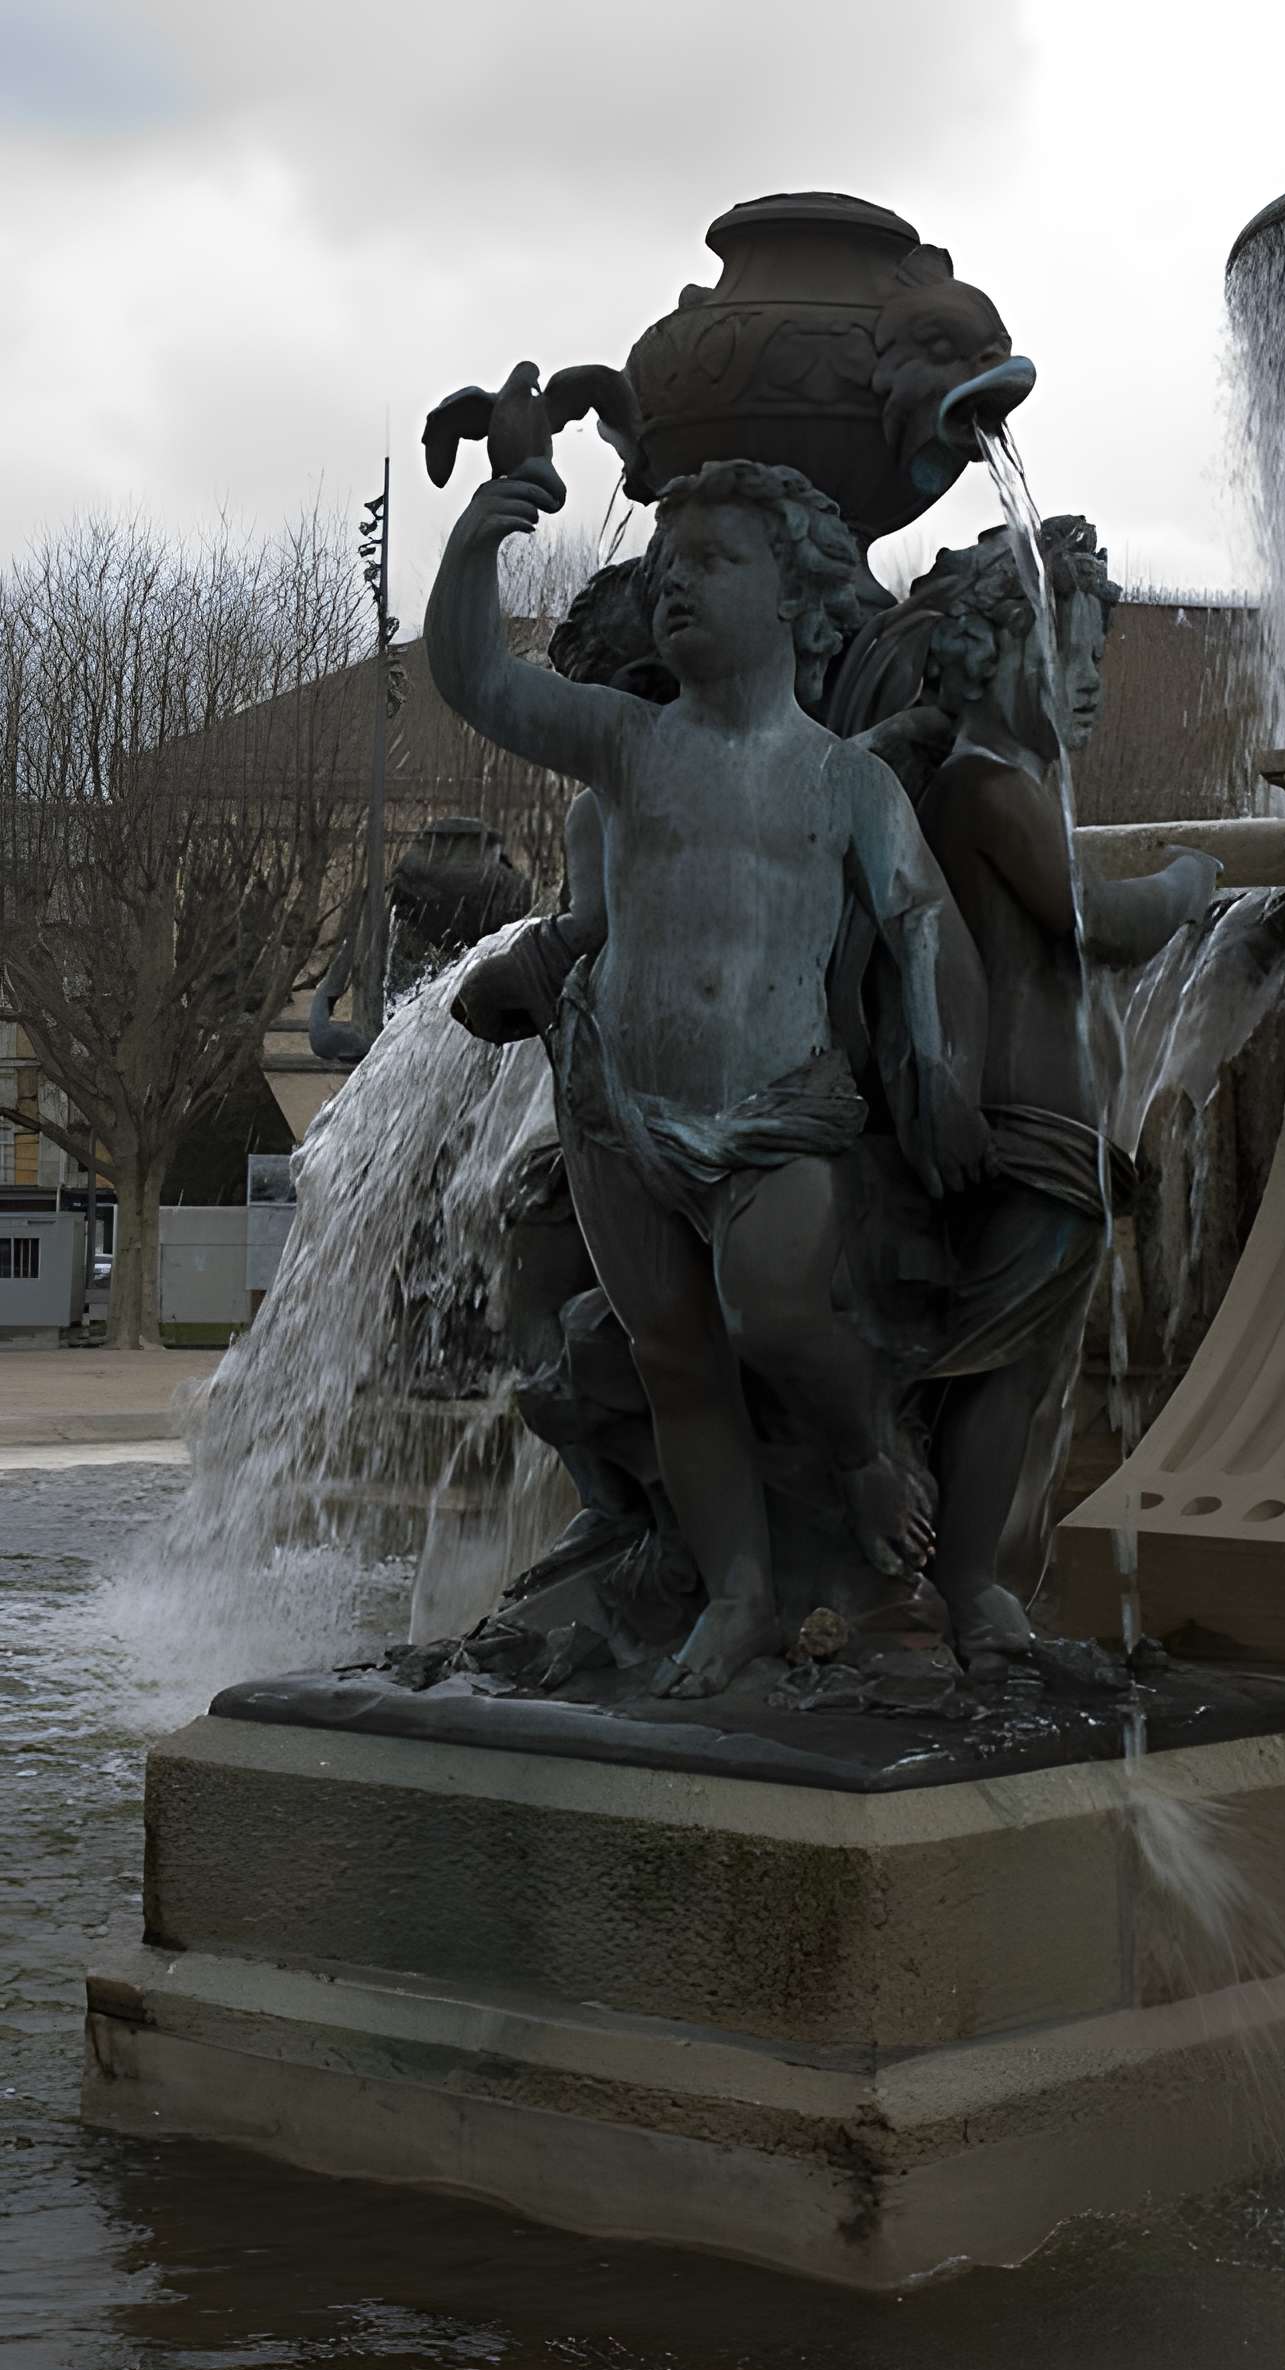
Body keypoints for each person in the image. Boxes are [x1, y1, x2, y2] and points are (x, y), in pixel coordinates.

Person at [429, 451, 990, 1697]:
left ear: (796, 598)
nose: (676, 586)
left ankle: (865, 1451)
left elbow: (922, 924)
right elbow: (476, 680)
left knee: (776, 1309)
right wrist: (479, 540)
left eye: (715, 563)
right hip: (618, 1115)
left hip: (780, 1108)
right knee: (675, 1356)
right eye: (665, 567)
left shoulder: (846, 778)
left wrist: (945, 1068)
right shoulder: (628, 745)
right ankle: (735, 1592)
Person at [908, 522, 1219, 1675]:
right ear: (989, 657)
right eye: (1069, 657)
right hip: (1025, 1130)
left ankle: (975, 1577)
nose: (1090, 685)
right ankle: (966, 1586)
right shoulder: (987, 788)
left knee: (1024, 1372)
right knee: (1000, 1369)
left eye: (1098, 660)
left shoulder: (998, 783)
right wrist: (1186, 883)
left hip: (1043, 1130)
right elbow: (1094, 919)